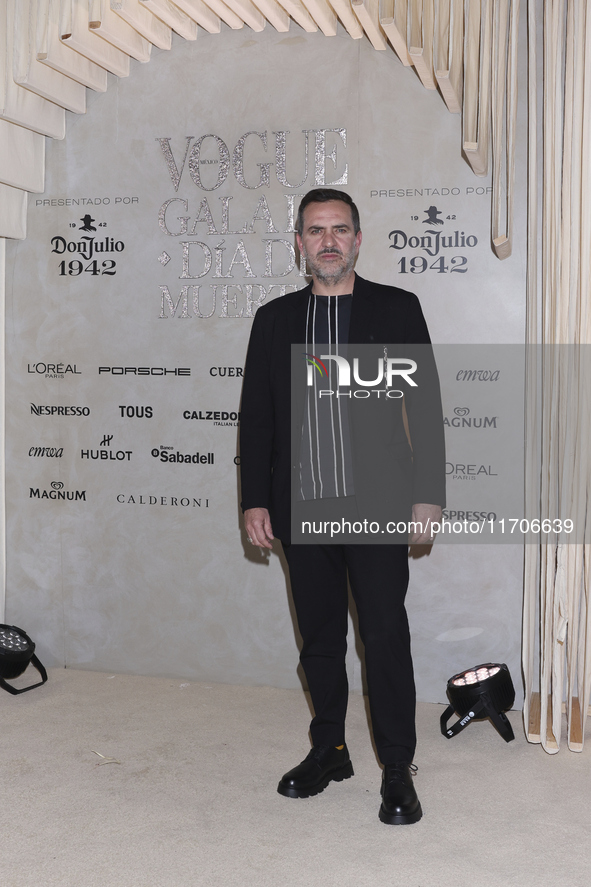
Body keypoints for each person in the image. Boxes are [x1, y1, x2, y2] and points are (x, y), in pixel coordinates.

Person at [239, 188, 445, 825]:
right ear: (299, 244)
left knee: (384, 636)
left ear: (358, 240)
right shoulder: (273, 321)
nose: (328, 240)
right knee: (321, 639)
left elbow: (426, 410)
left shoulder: (397, 308)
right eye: (315, 230)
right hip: (299, 508)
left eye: (340, 229)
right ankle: (328, 749)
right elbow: (258, 420)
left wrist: (428, 493)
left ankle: (397, 767)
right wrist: (253, 501)